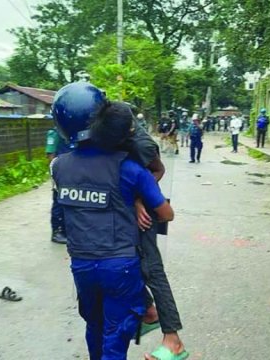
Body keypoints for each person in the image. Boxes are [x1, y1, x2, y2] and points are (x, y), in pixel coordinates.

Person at [50, 82, 175, 359]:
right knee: (115, 336)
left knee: (94, 327)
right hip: (120, 267)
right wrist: (138, 199)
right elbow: (166, 213)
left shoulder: (59, 167)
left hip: (82, 266)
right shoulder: (129, 167)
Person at [91, 101, 189, 360]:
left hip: (144, 213)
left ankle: (173, 340)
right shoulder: (108, 132)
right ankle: (148, 311)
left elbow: (157, 170)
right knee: (124, 265)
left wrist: (138, 199)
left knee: (152, 270)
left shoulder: (142, 145)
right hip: (122, 210)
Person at [45, 126, 71, 244]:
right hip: (60, 170)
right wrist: (55, 173)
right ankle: (57, 232)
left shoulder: (71, 130)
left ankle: (66, 230)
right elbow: (50, 154)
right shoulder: (54, 133)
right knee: (59, 199)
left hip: (71, 170)